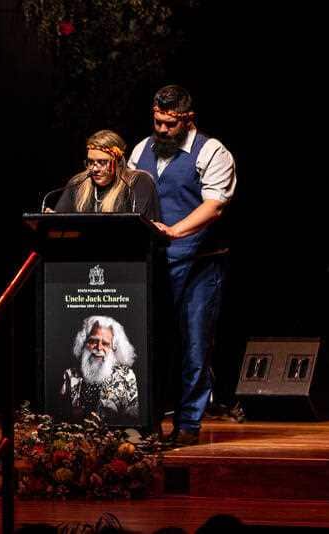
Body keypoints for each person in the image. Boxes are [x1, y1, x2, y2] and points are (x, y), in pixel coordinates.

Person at [128, 85, 236, 447]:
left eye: (169, 124)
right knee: (148, 341)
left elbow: (215, 205)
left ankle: (189, 423)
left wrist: (175, 230)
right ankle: (148, 421)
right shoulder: (141, 150)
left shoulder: (212, 151)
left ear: (188, 120)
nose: (161, 130)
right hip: (154, 263)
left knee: (194, 342)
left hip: (199, 263)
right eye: (157, 122)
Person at [50, 129, 160, 221]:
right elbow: (60, 222)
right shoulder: (78, 183)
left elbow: (145, 229)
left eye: (102, 162)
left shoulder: (137, 182)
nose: (94, 168)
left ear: (118, 161)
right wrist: (52, 219)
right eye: (91, 162)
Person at [59, 315, 139, 425]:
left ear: (114, 347)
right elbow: (62, 418)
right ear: (84, 343)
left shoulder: (127, 376)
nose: (99, 347)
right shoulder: (70, 375)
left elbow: (133, 421)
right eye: (93, 341)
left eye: (105, 343)